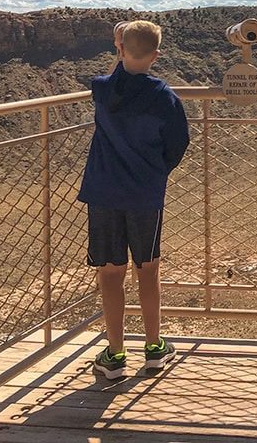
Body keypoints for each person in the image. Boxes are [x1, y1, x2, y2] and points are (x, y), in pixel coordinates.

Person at [78, 20, 190, 379]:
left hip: (104, 191)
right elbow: (179, 144)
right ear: (157, 55)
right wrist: (157, 170)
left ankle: (114, 354)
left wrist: (118, 48)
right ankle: (155, 347)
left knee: (110, 274)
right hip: (145, 193)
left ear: (120, 48)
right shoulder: (164, 96)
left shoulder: (101, 89)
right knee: (148, 268)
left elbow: (114, 82)